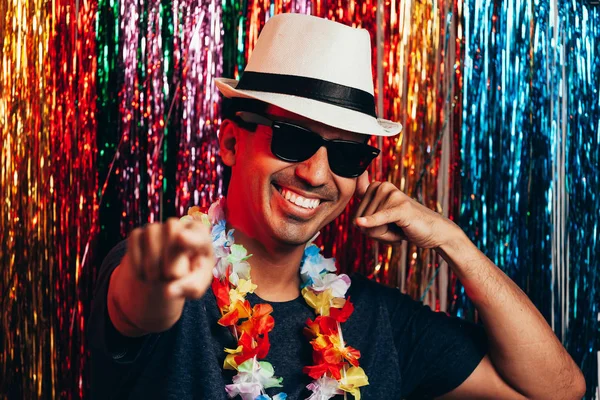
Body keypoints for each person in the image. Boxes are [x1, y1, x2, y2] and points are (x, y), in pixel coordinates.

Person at [88, 13, 585, 400]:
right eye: (291, 138)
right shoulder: (168, 271)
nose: (317, 173)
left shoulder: (379, 322)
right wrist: (159, 278)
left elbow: (559, 390)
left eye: (347, 153)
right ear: (230, 143)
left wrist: (451, 241)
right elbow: (138, 306)